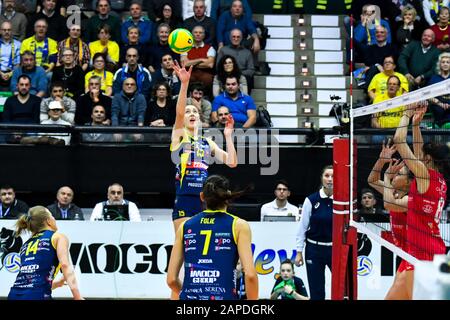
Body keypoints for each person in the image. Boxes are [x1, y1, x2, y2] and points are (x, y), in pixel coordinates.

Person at [169, 61, 237, 235]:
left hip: (205, 199)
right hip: (185, 198)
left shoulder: (208, 142)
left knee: (204, 247)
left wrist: (228, 136)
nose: (191, 114)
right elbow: (179, 112)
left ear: (199, 119)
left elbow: (232, 163)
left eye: (195, 112)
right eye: (188, 112)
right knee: (183, 245)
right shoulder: (180, 136)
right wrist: (184, 84)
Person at [389, 103, 449, 299]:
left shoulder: (424, 175)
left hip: (425, 257)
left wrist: (405, 115)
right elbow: (418, 148)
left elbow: (399, 140)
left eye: (423, 156)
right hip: (429, 253)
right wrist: (416, 125)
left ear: (429, 160)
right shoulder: (439, 180)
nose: (419, 156)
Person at [166, 174, 258, 300]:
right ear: (228, 195)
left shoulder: (185, 226)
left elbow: (171, 280)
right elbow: (250, 275)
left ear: (202, 197)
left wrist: (187, 295)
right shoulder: (239, 225)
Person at [8, 205, 83, 300]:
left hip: (14, 294)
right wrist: (77, 297)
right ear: (48, 221)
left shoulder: (26, 244)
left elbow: (30, 283)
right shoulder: (58, 237)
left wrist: (56, 284)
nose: (54, 218)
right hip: (37, 295)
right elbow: (65, 265)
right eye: (52, 216)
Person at [295, 165, 333, 300]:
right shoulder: (311, 200)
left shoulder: (342, 200)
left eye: (333, 176)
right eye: (327, 176)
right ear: (321, 178)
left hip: (335, 249)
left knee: (343, 287)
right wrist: (299, 252)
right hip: (314, 249)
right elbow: (302, 227)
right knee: (316, 290)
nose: (330, 179)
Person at [180, 25, 215, 96]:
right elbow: (184, 64)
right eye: (195, 32)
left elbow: (210, 64)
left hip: (205, 79)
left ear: (204, 35)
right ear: (191, 34)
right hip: (189, 77)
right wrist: (201, 59)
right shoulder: (185, 47)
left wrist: (191, 63)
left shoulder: (210, 48)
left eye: (200, 32)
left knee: (208, 78)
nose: (198, 34)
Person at [428, 52, 450, 127]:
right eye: (443, 62)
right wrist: (440, 103)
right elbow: (428, 96)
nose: (445, 64)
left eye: (448, 62)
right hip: (438, 113)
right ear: (439, 64)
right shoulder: (434, 78)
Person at [0, 21, 21, 88]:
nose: (7, 32)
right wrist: (1, 73)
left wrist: (10, 74)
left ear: (12, 31)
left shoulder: (18, 44)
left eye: (9, 30)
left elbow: (18, 63)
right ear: (0, 31)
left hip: (13, 72)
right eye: (4, 30)